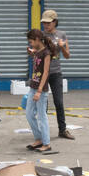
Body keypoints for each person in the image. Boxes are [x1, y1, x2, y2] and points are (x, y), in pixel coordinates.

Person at [40, 9, 74, 140]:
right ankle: (43, 132)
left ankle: (62, 130)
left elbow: (67, 56)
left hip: (55, 73)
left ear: (55, 22)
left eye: (48, 23)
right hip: (42, 73)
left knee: (59, 102)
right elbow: (36, 53)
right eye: (44, 23)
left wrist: (62, 46)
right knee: (42, 104)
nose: (46, 26)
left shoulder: (62, 35)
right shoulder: (41, 35)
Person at [24, 28, 54, 154]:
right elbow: (38, 64)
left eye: (31, 41)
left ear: (37, 39)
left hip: (40, 89)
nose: (30, 44)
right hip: (33, 86)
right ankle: (38, 138)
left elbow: (46, 72)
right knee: (29, 114)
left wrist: (39, 91)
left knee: (42, 116)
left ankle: (46, 143)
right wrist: (32, 53)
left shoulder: (46, 53)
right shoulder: (37, 51)